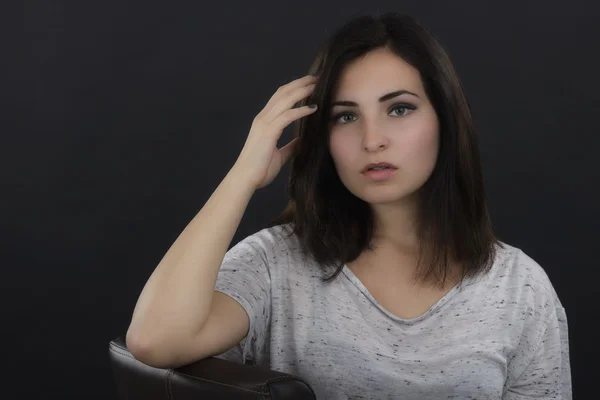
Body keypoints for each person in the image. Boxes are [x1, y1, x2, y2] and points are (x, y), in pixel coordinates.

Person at [125, 12, 572, 399]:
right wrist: (243, 175)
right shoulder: (274, 265)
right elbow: (153, 341)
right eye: (346, 116)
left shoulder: (520, 289)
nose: (372, 139)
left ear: (446, 119)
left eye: (399, 109)